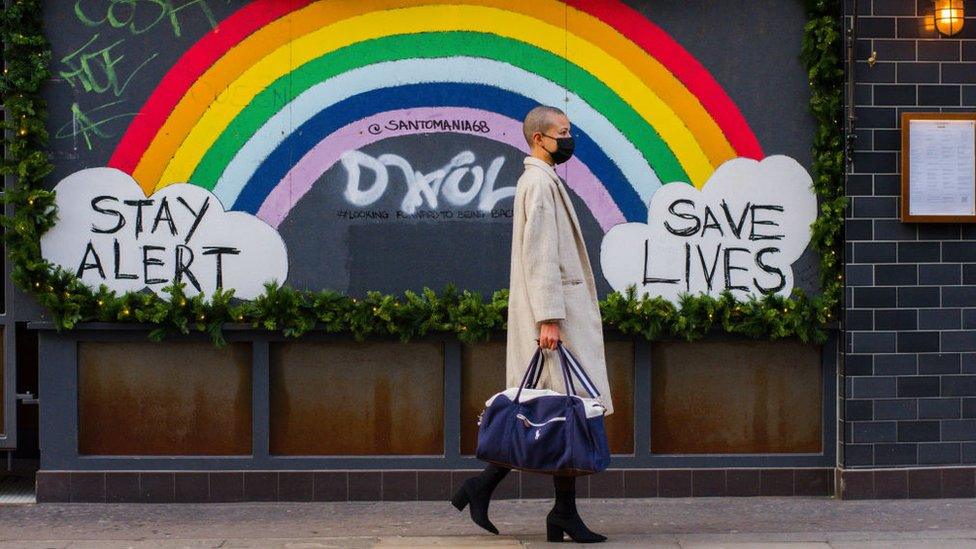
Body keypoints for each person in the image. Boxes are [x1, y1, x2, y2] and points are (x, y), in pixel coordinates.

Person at [450, 105, 613, 543]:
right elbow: (539, 253)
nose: (569, 138)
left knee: (558, 413)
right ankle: (548, 510)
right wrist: (549, 318)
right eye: (562, 132)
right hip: (555, 321)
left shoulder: (543, 181)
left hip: (556, 317)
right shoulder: (539, 184)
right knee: (560, 412)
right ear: (540, 139)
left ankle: (531, 503)